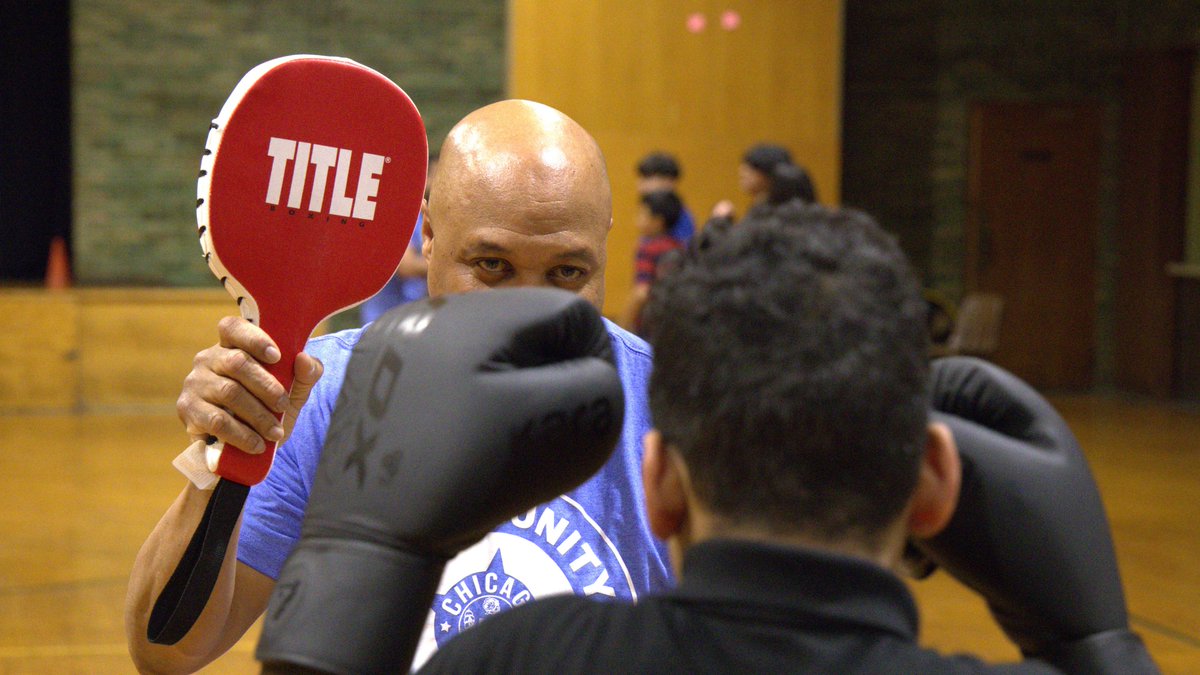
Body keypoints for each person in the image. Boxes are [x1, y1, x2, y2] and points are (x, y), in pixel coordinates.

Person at [324, 203, 1152, 674]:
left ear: (659, 483)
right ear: (936, 478)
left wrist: (365, 569)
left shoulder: (517, 660)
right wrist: (1095, 645)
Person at [125, 100, 673, 674]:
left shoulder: (669, 410)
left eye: (567, 273)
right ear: (430, 235)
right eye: (492, 266)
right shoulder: (323, 396)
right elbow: (165, 653)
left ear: (606, 245)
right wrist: (225, 455)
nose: (530, 312)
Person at [619, 189, 685, 335]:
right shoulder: (680, 247)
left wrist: (621, 328)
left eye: (642, 214)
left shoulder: (649, 248)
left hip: (650, 327)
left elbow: (641, 292)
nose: (637, 219)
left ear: (657, 221)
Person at [636, 151, 695, 243]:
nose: (641, 187)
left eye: (647, 178)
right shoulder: (650, 215)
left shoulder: (681, 219)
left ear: (668, 181)